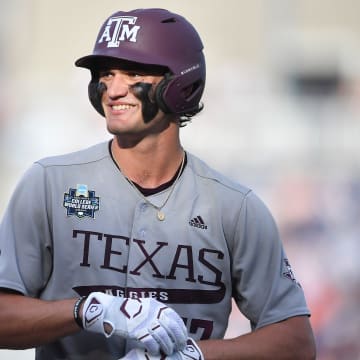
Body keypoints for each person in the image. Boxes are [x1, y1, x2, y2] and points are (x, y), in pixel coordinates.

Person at [0, 7, 316, 360]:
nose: (113, 89)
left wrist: (194, 356)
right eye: (106, 74)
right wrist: (88, 310)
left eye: (132, 72)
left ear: (180, 83)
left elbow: (296, 342)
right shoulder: (50, 183)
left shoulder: (234, 207)